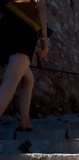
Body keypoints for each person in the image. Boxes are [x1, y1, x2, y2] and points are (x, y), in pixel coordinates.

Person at [0, 0, 49, 139]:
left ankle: (25, 122)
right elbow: (41, 7)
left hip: (9, 19)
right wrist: (44, 39)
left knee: (28, 79)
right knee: (11, 79)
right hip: (25, 26)